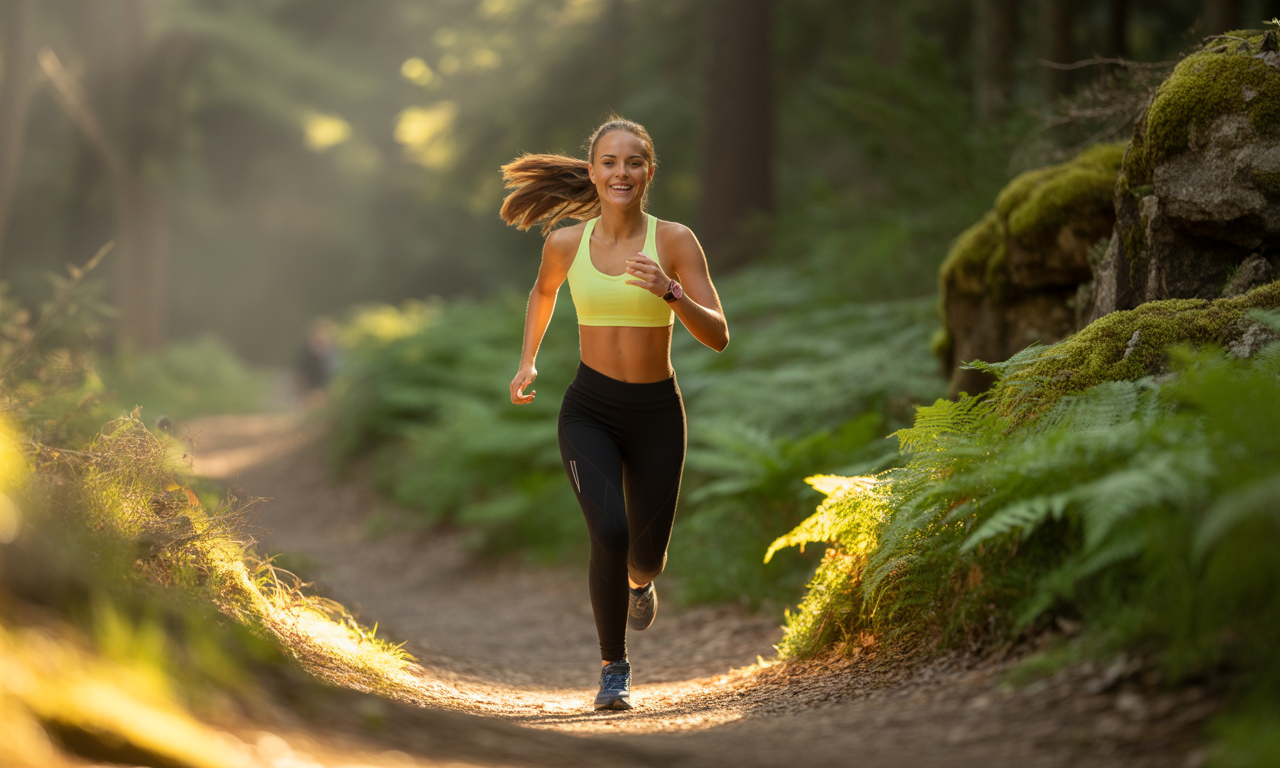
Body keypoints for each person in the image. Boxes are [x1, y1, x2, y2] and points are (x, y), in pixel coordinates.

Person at [501, 117, 729, 711]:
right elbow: (544, 291)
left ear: (648, 172)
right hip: (589, 409)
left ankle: (640, 583)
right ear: (594, 171)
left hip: (657, 412)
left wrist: (670, 293)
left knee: (644, 556)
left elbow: (720, 335)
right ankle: (614, 669)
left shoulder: (675, 241)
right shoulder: (566, 243)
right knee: (607, 532)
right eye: (609, 161)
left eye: (633, 162)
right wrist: (527, 360)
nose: (621, 172)